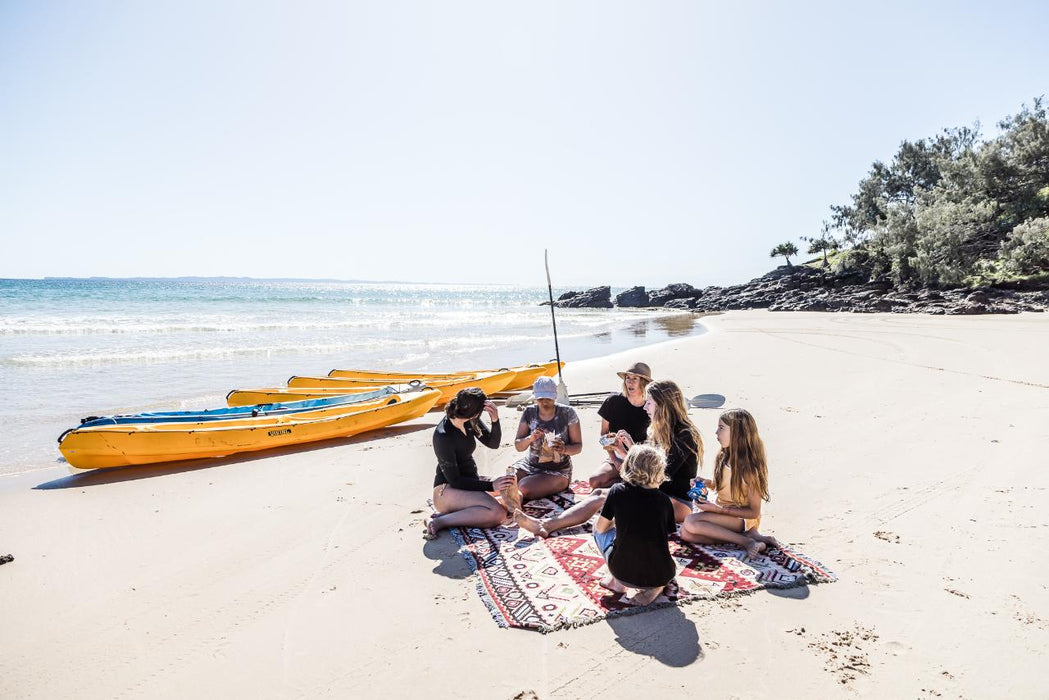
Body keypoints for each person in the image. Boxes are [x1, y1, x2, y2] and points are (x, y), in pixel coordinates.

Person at [679, 409, 780, 557]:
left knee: (690, 522)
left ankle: (746, 541)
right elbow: (724, 486)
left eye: (721, 428)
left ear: (737, 434)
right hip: (724, 510)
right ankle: (750, 537)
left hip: (743, 518)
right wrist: (706, 482)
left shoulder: (749, 470)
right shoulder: (723, 456)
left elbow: (754, 512)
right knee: (686, 534)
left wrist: (717, 510)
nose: (716, 433)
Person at [592, 444, 677, 606]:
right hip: (663, 573)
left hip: (623, 572)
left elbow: (601, 528)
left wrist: (619, 522)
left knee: (597, 527)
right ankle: (655, 587)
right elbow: (667, 535)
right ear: (659, 471)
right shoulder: (664, 500)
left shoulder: (617, 491)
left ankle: (617, 582)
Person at [426, 387, 514, 539]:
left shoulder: (470, 420)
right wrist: (491, 486)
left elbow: (493, 443)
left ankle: (466, 510)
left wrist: (495, 420)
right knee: (498, 513)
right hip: (447, 490)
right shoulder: (443, 436)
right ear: (474, 411)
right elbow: (455, 480)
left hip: (470, 482)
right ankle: (440, 521)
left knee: (512, 492)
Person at [618, 379, 703, 523]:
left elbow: (660, 477)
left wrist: (629, 454)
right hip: (657, 494)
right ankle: (564, 527)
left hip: (678, 502)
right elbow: (647, 469)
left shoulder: (686, 435)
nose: (645, 408)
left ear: (663, 406)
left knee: (613, 497)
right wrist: (629, 449)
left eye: (649, 403)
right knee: (601, 494)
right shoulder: (657, 430)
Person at [511, 376, 583, 500]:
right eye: (540, 399)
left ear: (555, 396)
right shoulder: (529, 412)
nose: (544, 402)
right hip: (530, 464)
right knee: (507, 480)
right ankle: (512, 501)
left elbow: (578, 446)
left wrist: (563, 449)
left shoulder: (567, 413)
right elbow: (518, 446)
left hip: (558, 470)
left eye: (548, 399)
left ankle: (514, 503)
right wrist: (530, 438)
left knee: (524, 487)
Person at [588, 362, 652, 489]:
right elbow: (604, 433)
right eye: (628, 378)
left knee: (646, 483)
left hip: (640, 460)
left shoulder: (651, 406)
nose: (630, 382)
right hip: (616, 456)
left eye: (635, 379)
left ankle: (629, 484)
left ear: (643, 382)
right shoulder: (613, 401)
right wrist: (615, 459)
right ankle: (626, 484)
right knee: (594, 481)